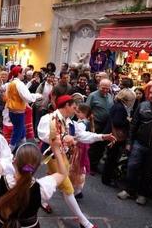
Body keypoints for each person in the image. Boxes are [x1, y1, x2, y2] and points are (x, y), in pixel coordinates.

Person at [38, 95, 115, 228]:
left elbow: (83, 136)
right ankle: (84, 222)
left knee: (54, 179)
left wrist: (102, 137)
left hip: (64, 156)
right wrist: (63, 137)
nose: (75, 110)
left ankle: (40, 199)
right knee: (68, 188)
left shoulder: (70, 122)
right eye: (74, 107)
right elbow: (42, 134)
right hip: (52, 156)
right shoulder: (48, 118)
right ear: (67, 105)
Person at [0, 138, 67, 228]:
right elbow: (63, 174)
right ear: (36, 167)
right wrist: (56, 150)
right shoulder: (42, 188)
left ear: (14, 161)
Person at [101, 88, 136, 186]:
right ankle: (107, 179)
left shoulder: (117, 105)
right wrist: (128, 121)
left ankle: (106, 178)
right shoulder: (121, 108)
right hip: (114, 136)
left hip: (110, 134)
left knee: (110, 157)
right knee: (111, 158)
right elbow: (117, 122)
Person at [6, 66, 42, 151]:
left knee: (21, 128)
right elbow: (27, 97)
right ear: (18, 73)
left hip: (13, 111)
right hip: (18, 111)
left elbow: (22, 91)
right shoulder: (18, 84)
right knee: (17, 131)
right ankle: (9, 150)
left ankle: (23, 144)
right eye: (22, 73)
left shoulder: (12, 82)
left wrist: (29, 83)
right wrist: (38, 96)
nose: (24, 75)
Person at [85, 78, 114, 173]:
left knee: (101, 146)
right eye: (103, 88)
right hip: (95, 124)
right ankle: (89, 166)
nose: (105, 90)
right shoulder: (93, 96)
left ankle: (95, 164)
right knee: (93, 146)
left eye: (107, 88)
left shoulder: (110, 96)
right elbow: (86, 109)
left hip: (106, 125)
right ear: (99, 86)